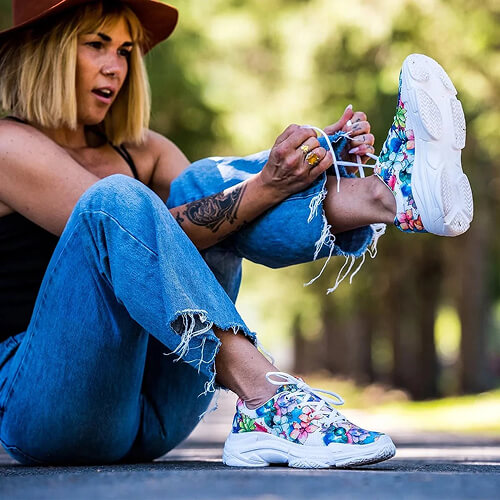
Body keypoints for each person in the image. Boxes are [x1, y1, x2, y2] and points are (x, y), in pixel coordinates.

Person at [0, 0, 472, 468]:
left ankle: (387, 196)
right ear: (44, 50)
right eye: (96, 45)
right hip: (46, 406)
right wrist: (268, 183)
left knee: (206, 184)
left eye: (125, 51)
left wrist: (304, 165)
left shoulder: (144, 151)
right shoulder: (7, 143)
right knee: (116, 201)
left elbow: (207, 220)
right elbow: (133, 227)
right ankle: (266, 395)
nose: (115, 67)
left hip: (155, 408)